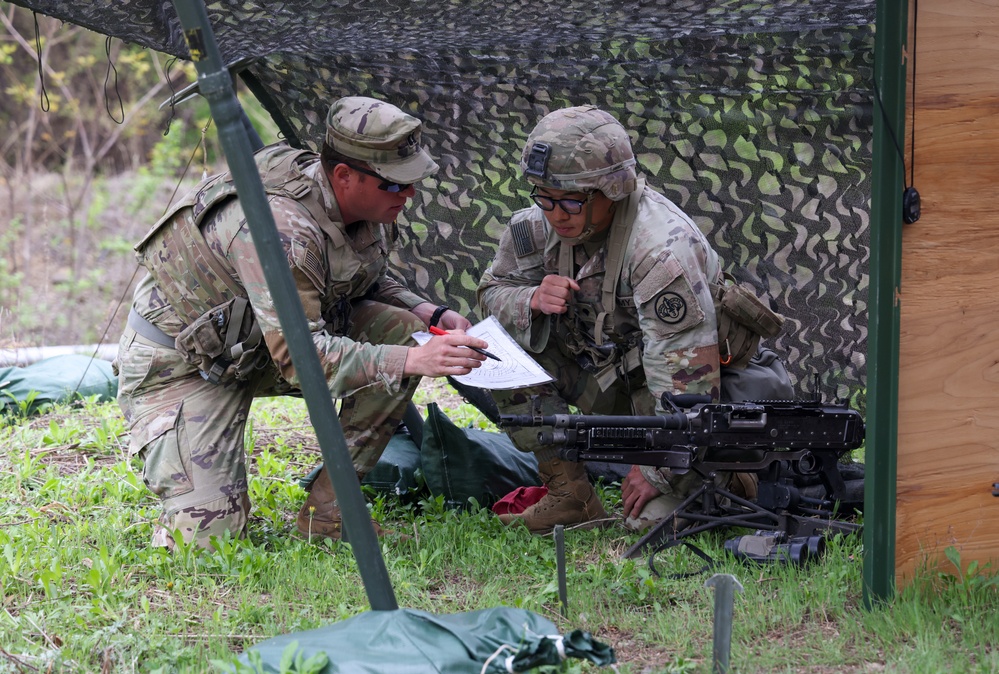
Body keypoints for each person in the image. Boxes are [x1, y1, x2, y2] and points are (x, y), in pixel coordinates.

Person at [115, 96, 489, 549]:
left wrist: (427, 312)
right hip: (184, 364)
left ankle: (331, 513)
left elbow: (362, 277)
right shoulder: (281, 231)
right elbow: (300, 360)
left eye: (411, 182)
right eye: (395, 185)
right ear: (344, 176)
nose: (408, 195)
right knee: (207, 545)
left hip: (260, 346)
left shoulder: (368, 206)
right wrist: (414, 358)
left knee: (394, 328)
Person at [477, 105, 766, 535]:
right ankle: (570, 495)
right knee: (491, 353)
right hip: (608, 379)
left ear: (611, 189)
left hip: (679, 395)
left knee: (649, 525)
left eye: (572, 200)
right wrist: (530, 298)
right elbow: (489, 293)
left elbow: (690, 385)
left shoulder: (659, 250)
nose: (556, 213)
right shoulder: (534, 227)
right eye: (543, 195)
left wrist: (656, 471)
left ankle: (731, 477)